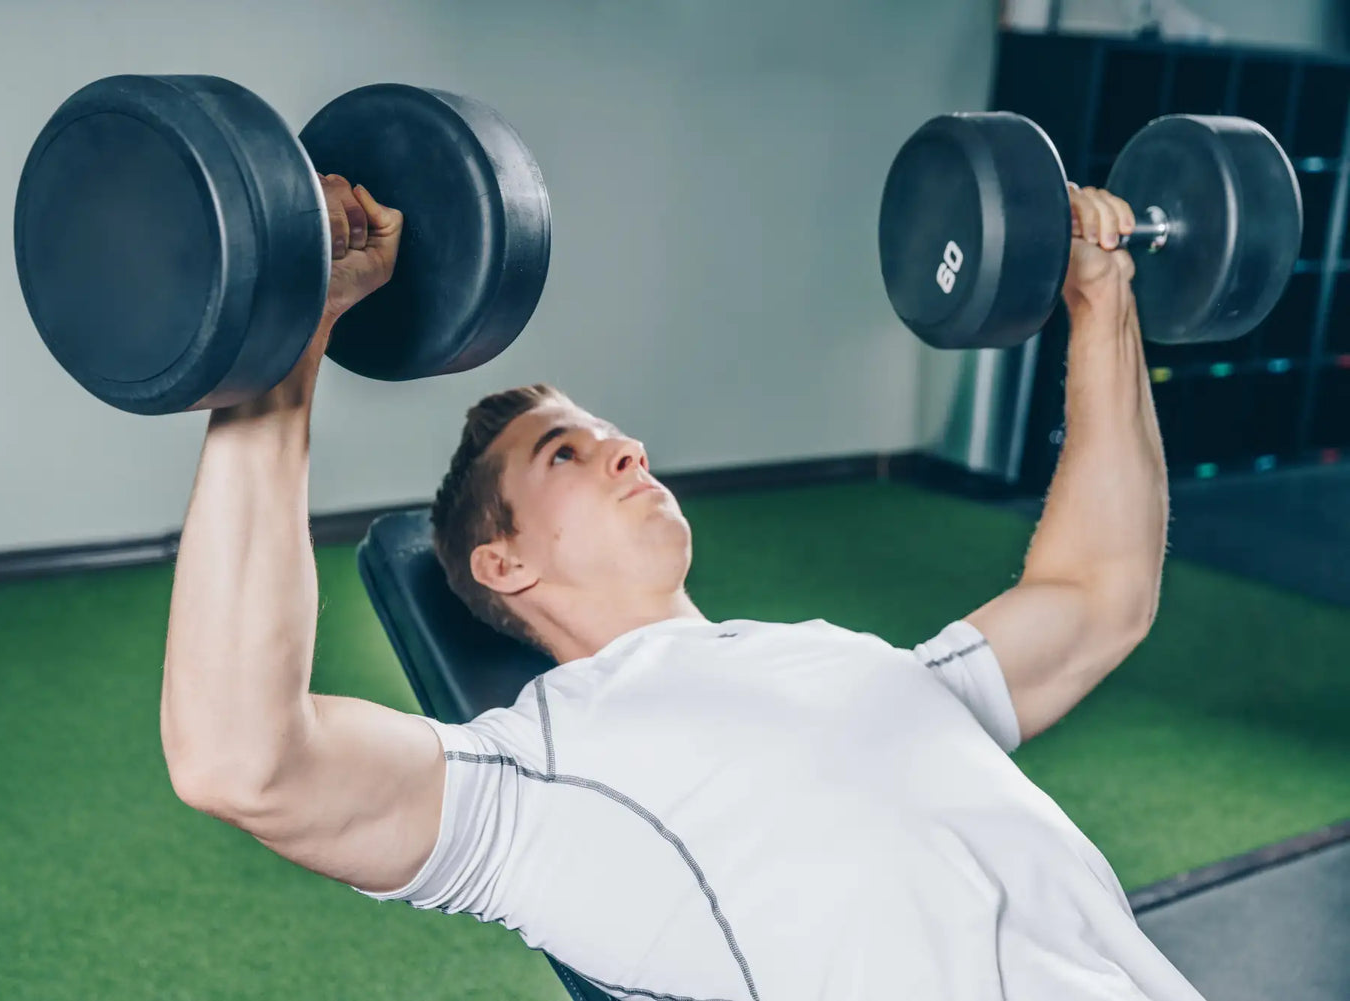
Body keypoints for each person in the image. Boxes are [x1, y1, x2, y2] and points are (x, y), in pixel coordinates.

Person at [161, 171, 1193, 1000]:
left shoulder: (854, 661)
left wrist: (1099, 300)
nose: (627, 450)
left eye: (617, 435)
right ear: (503, 562)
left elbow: (1101, 589)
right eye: (567, 452)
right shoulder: (539, 783)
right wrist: (290, 335)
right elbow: (240, 759)